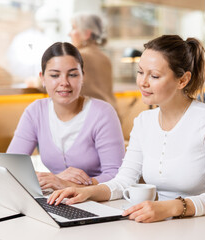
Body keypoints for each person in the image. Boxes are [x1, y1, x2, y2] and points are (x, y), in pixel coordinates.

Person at [48, 35, 205, 224]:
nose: (143, 82)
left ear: (182, 80)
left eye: (155, 75)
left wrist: (170, 208)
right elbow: (124, 181)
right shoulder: (143, 121)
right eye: (140, 72)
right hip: (172, 225)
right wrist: (87, 192)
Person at [7, 42, 125, 191]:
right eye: (55, 75)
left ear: (83, 76)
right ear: (42, 78)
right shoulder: (35, 111)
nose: (64, 82)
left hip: (100, 200)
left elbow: (117, 175)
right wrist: (54, 179)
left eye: (73, 75)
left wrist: (70, 184)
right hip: (57, 199)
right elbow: (11, 166)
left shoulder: (103, 113)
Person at [69, 12, 117, 110]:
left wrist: (34, 82)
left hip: (91, 117)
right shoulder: (105, 57)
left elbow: (48, 83)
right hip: (111, 114)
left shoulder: (78, 56)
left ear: (87, 33)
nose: (69, 34)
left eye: (74, 28)